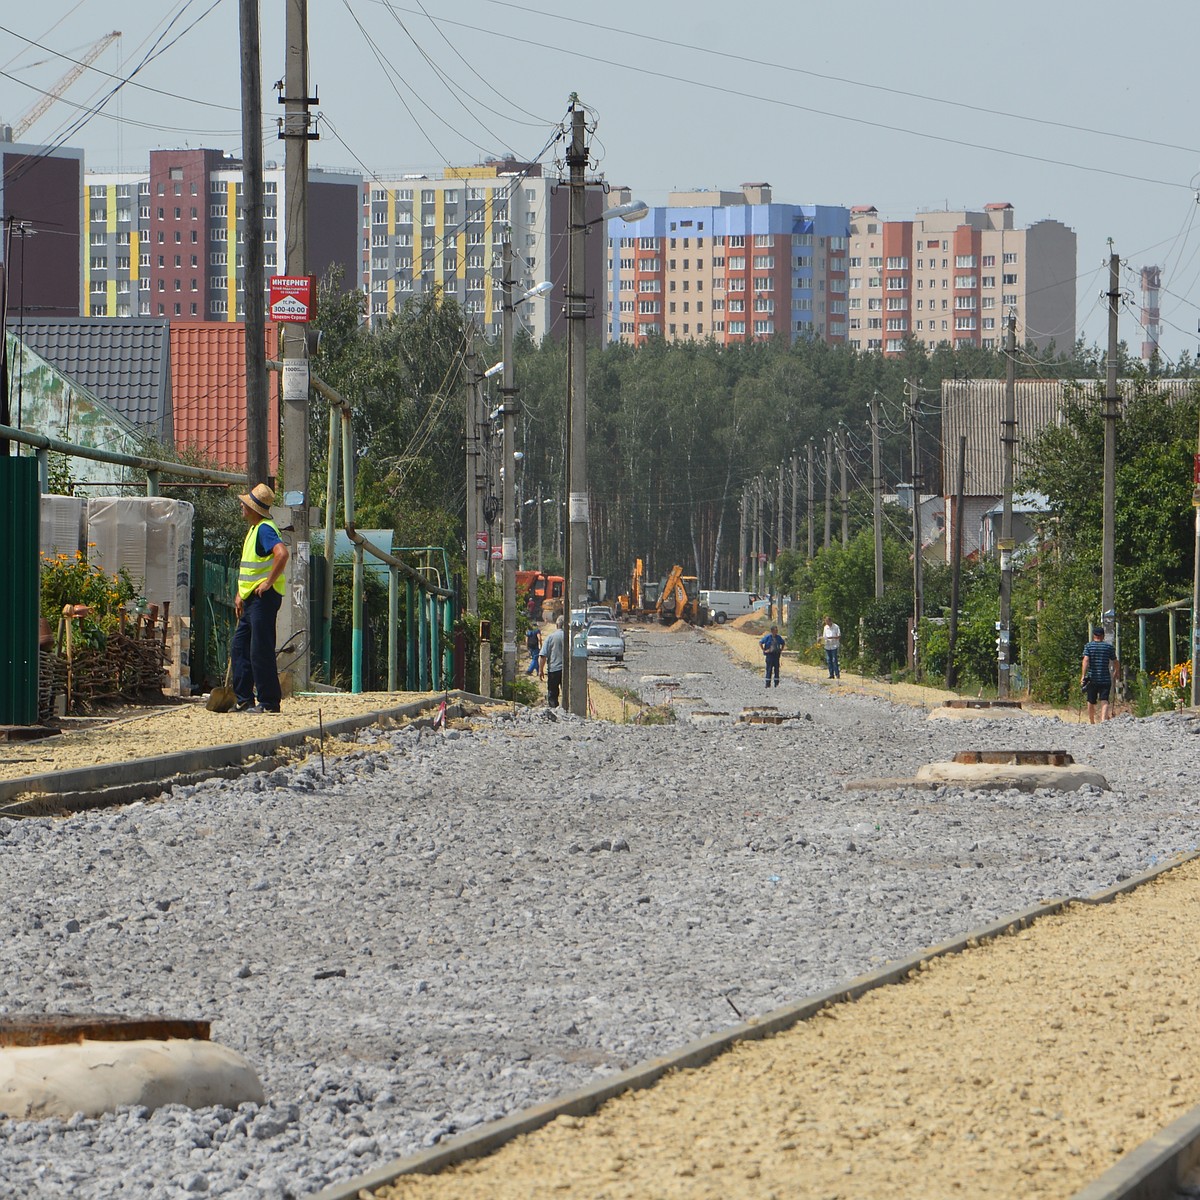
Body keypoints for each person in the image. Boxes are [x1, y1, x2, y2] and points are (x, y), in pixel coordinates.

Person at [230, 482, 289, 714]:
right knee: (240, 647)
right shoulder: (255, 529)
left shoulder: (265, 529)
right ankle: (244, 699)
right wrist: (240, 593)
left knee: (260, 649)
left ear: (255, 508)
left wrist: (268, 582)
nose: (242, 506)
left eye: (246, 504)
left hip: (263, 598)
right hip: (250, 598)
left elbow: (282, 554)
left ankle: (269, 702)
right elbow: (250, 569)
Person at [1080, 626, 1120, 723]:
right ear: (1103, 636)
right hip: (1105, 678)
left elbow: (1085, 660)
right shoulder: (1108, 647)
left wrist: (1083, 676)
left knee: (1090, 700)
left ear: (1094, 635)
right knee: (1104, 700)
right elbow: (1115, 661)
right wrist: (1116, 671)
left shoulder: (1088, 646)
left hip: (1092, 678)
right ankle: (1103, 720)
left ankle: (1092, 721)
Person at [542, 615, 566, 707]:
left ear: (557, 625)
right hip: (567, 670)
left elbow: (543, 655)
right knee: (566, 691)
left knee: (552, 692)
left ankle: (553, 708)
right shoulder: (570, 637)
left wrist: (540, 670)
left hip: (554, 669)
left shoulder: (551, 637)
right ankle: (567, 709)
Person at [759, 624, 786, 688]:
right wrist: (764, 650)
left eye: (777, 630)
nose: (776, 631)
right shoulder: (768, 637)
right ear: (772, 631)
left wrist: (781, 650)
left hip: (776, 655)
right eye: (775, 630)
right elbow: (760, 642)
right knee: (769, 669)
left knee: (776, 670)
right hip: (769, 655)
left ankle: (776, 683)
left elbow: (783, 643)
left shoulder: (778, 637)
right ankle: (768, 684)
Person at [822, 614, 842, 679]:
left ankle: (837, 674)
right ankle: (831, 674)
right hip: (827, 646)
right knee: (828, 660)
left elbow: (839, 636)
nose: (826, 623)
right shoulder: (825, 627)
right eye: (826, 622)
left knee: (834, 660)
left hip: (834, 646)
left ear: (830, 621)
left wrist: (832, 637)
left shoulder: (836, 627)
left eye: (827, 621)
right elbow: (824, 636)